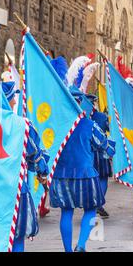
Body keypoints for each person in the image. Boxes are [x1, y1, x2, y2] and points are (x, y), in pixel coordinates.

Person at [49, 88, 115, 252]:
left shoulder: (56, 125)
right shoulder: (89, 124)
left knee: (66, 212)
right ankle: (81, 245)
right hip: (85, 174)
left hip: (61, 175)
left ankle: (67, 250)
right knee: (91, 209)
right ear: (79, 103)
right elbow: (104, 146)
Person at [2, 82, 49, 252]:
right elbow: (35, 155)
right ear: (8, 100)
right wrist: (43, 172)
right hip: (16, 190)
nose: (15, 100)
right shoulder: (21, 125)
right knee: (17, 236)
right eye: (13, 97)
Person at [89, 98, 113, 218]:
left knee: (90, 180)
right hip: (101, 153)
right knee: (103, 179)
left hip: (87, 154)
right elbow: (111, 129)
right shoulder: (102, 117)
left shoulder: (78, 117)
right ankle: (98, 204)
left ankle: (91, 203)